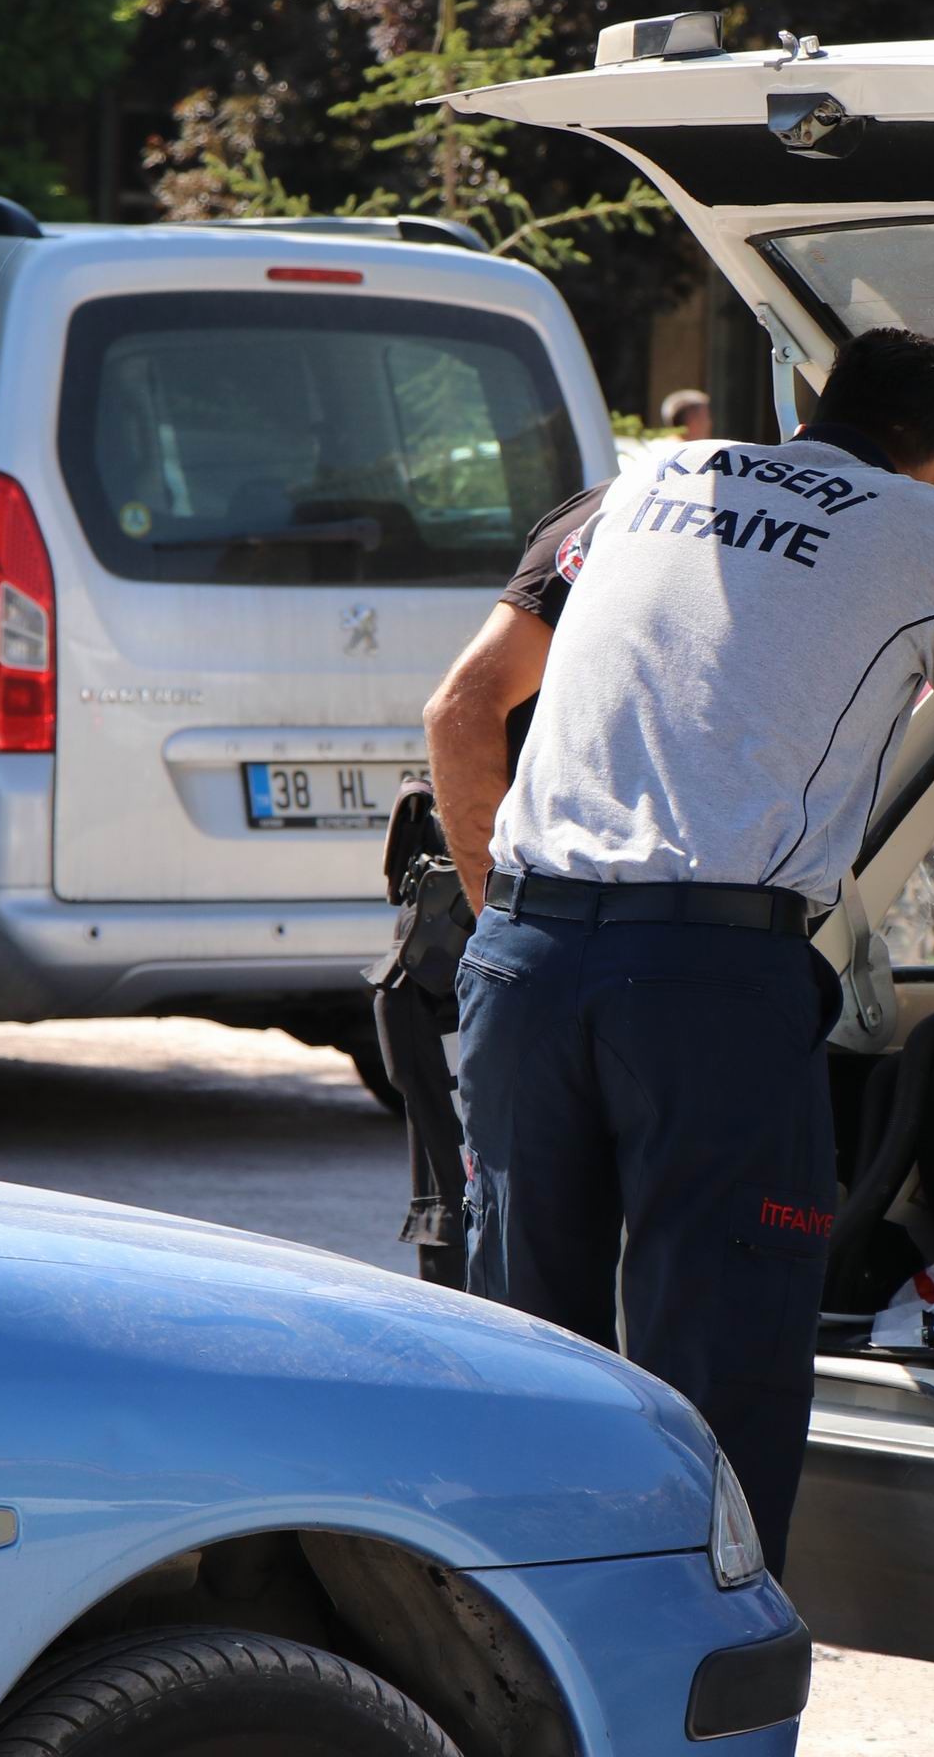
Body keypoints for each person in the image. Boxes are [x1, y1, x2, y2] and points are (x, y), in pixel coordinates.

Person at [456, 328, 934, 1570]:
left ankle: (520, 1675)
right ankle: (703, 1690)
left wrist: (503, 937)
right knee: (719, 1369)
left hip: (525, 958)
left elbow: (462, 710)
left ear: (810, 415)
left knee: (521, 1367)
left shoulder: (641, 483)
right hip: (710, 990)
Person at [380, 477, 610, 1288]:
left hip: (529, 933)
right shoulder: (613, 518)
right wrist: (496, 923)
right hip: (531, 923)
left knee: (527, 1265)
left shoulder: (613, 514)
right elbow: (458, 710)